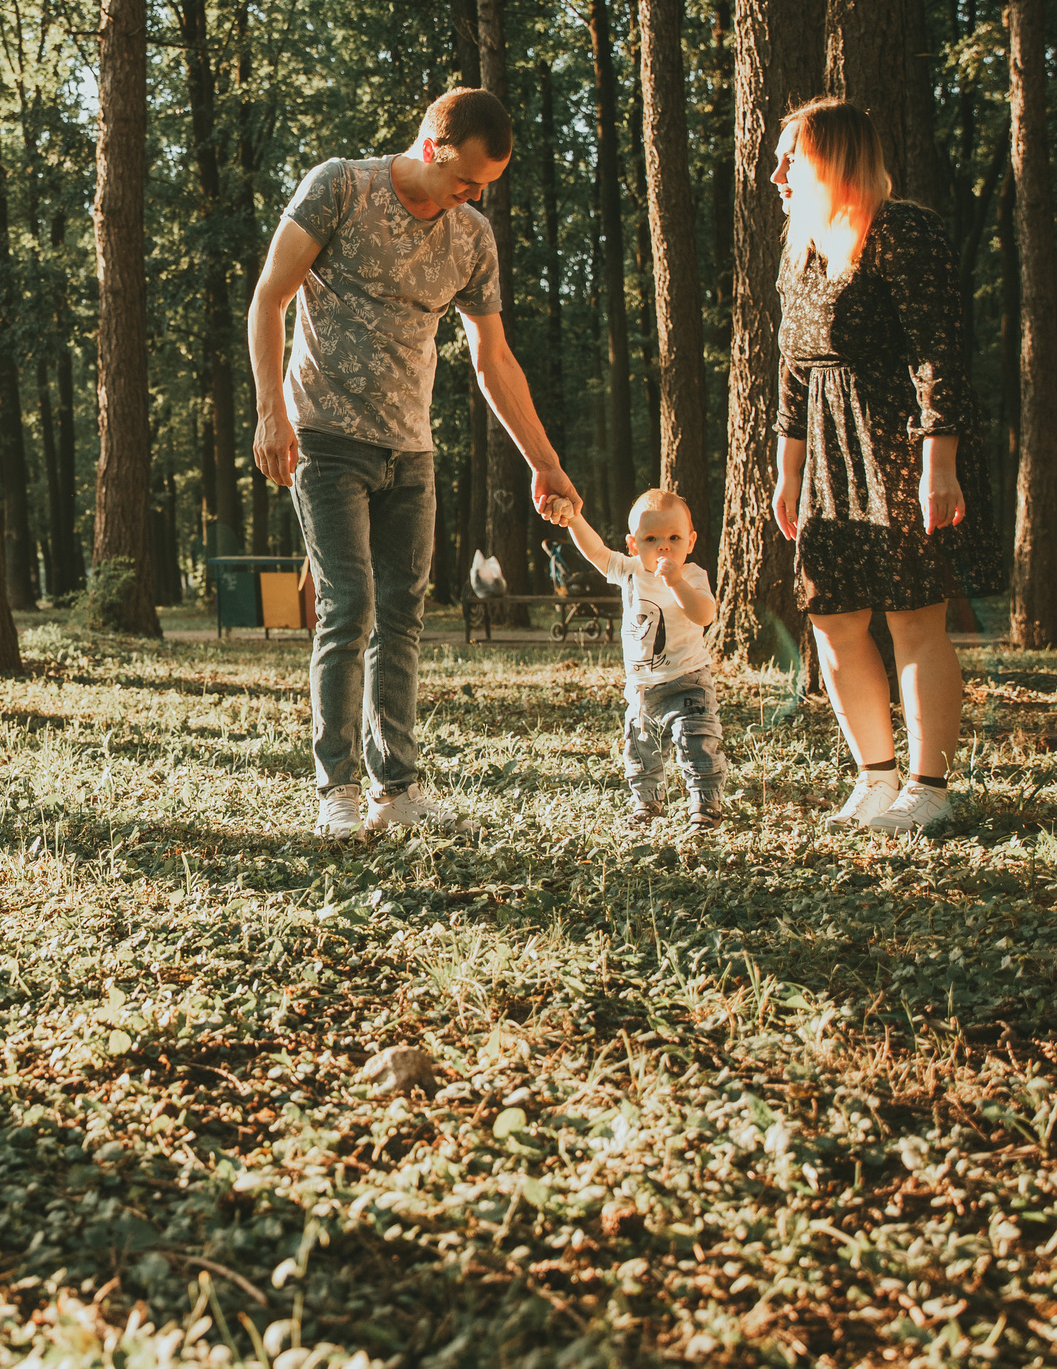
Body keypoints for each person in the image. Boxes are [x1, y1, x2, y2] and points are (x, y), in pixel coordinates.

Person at [248, 87, 578, 838]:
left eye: (485, 187)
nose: (473, 195)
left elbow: (493, 360)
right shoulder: (341, 185)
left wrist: (545, 460)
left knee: (402, 615)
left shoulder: (472, 236)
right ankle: (336, 786)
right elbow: (270, 297)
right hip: (325, 437)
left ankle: (394, 788)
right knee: (349, 604)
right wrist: (271, 412)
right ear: (433, 147)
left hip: (412, 448)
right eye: (466, 180)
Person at [769, 97, 997, 835]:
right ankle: (875, 778)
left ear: (832, 160)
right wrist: (787, 474)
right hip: (826, 455)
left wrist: (941, 464)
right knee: (832, 619)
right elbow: (793, 376)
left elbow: (939, 352)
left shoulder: (904, 231)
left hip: (896, 441)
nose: (776, 174)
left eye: (791, 159)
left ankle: (928, 788)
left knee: (912, 614)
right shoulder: (799, 246)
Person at [557, 489, 725, 833]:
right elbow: (596, 552)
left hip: (687, 680)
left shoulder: (691, 575)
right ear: (634, 545)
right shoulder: (630, 571)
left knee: (696, 742)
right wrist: (574, 519)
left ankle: (705, 803)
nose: (664, 546)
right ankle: (647, 801)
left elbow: (704, 614)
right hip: (642, 688)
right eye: (652, 539)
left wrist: (675, 581)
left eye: (674, 538)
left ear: (690, 542)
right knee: (640, 750)